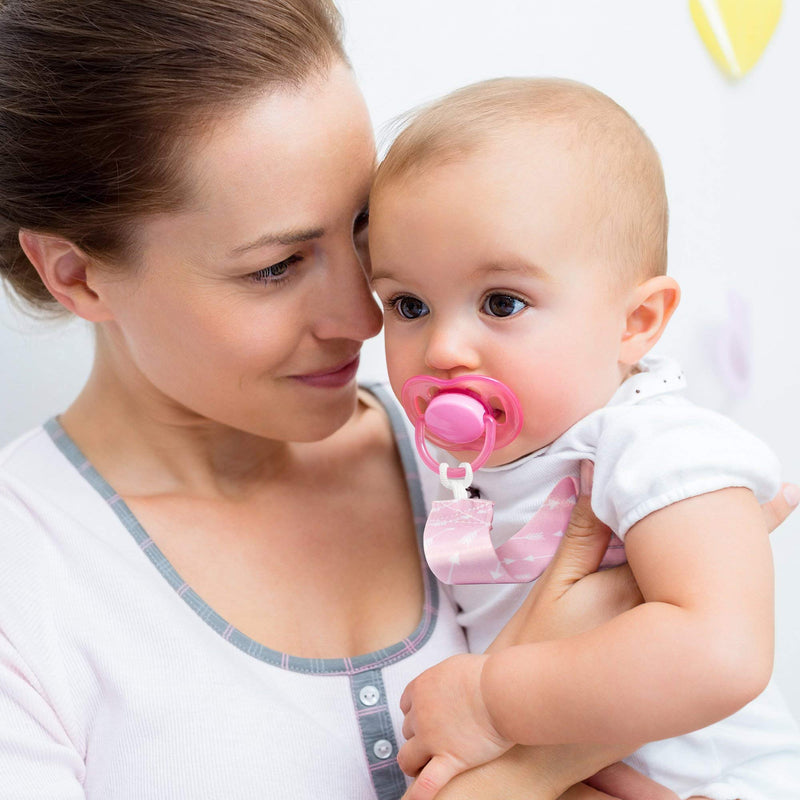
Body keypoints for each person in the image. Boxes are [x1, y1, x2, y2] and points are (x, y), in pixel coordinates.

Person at [0, 4, 795, 798]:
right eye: (275, 266)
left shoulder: (522, 450)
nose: (365, 316)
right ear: (76, 274)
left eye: (360, 235)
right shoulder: (27, 584)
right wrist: (525, 770)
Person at [368, 77, 800, 800]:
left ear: (635, 323)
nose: (443, 347)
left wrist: (491, 700)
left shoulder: (656, 444)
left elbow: (723, 653)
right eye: (409, 304)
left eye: (501, 302)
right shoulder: (447, 459)